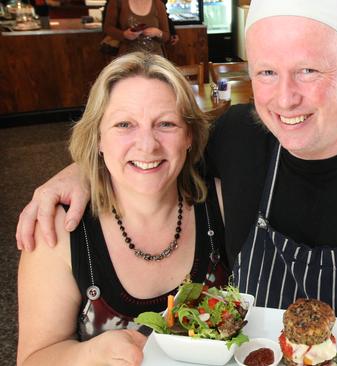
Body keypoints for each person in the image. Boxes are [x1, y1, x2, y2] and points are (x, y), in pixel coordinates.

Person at [16, 1, 337, 364]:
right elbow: (155, 146)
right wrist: (79, 170)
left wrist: (328, 360)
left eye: (309, 70)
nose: (285, 97)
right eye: (267, 72)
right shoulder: (238, 135)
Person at [16, 52, 225, 365]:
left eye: (166, 123)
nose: (147, 145)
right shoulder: (59, 230)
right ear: (98, 138)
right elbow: (32, 358)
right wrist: (88, 354)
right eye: (124, 124)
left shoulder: (221, 203)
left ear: (190, 137)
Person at [103, 0, 170, 56]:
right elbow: (108, 28)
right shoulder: (117, 2)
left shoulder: (158, 4)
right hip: (127, 57)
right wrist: (124, 34)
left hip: (155, 58)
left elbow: (166, 36)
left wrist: (157, 32)